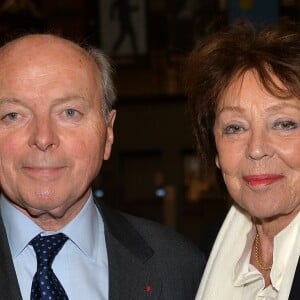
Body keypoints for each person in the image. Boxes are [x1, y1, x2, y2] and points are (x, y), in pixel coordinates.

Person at [0, 33, 205, 300]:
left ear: (108, 133)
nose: (43, 137)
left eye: (69, 112)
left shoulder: (179, 267)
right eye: (13, 115)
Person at [184, 21, 300, 299]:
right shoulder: (200, 255)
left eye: (284, 124)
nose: (257, 149)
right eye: (235, 128)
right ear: (216, 151)